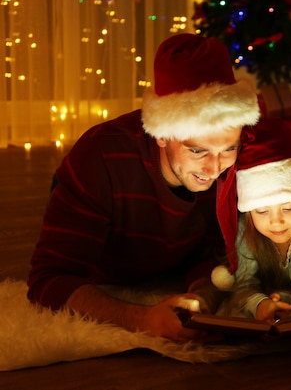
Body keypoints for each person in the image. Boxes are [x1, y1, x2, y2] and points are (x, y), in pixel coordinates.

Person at [27, 33, 261, 341]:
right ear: (161, 134)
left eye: (228, 149)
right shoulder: (99, 158)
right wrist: (141, 318)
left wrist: (202, 300)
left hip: (168, 263)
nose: (215, 167)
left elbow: (211, 256)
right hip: (107, 267)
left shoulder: (232, 165)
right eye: (197, 150)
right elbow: (48, 280)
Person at [210, 119, 291, 323]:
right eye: (261, 211)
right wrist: (260, 304)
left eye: (288, 208)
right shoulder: (246, 231)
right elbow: (244, 286)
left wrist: (283, 303)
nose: (276, 221)